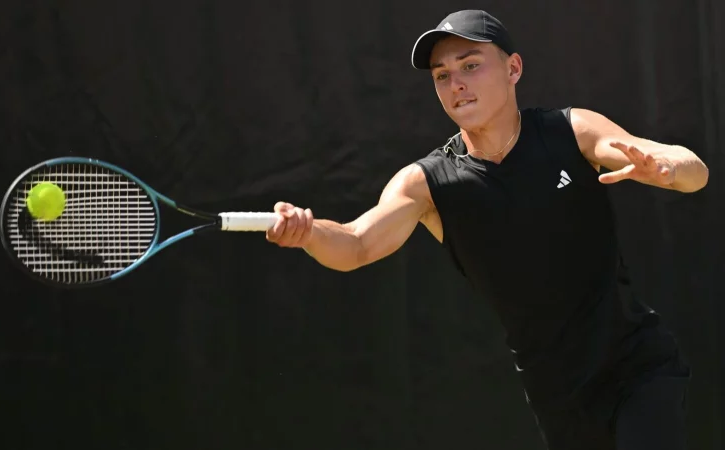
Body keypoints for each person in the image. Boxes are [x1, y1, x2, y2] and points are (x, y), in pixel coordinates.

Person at [266, 9, 709, 450]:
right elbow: (356, 244)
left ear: (513, 68)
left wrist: (667, 169)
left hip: (638, 368)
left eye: (470, 66)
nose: (456, 84)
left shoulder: (571, 130)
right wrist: (309, 233)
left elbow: (693, 171)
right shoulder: (427, 184)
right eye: (442, 75)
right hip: (558, 397)